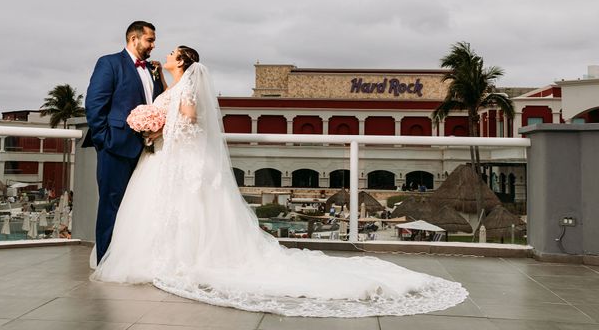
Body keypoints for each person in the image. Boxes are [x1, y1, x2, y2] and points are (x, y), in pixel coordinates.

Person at [92, 46, 468, 317]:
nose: (166, 55)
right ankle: (164, 257)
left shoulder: (186, 88)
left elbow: (189, 118)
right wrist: (152, 125)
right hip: (165, 158)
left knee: (191, 208)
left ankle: (182, 259)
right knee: (168, 208)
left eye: (173, 53)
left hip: (180, 155)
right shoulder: (167, 84)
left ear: (184, 62)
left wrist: (160, 128)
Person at [83, 21, 166, 263]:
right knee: (112, 206)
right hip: (115, 147)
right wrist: (104, 140)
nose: (153, 45)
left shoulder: (152, 69)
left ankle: (132, 261)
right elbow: (95, 104)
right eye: (149, 40)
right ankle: (105, 262)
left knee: (139, 208)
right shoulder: (109, 63)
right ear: (134, 38)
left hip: (148, 151)